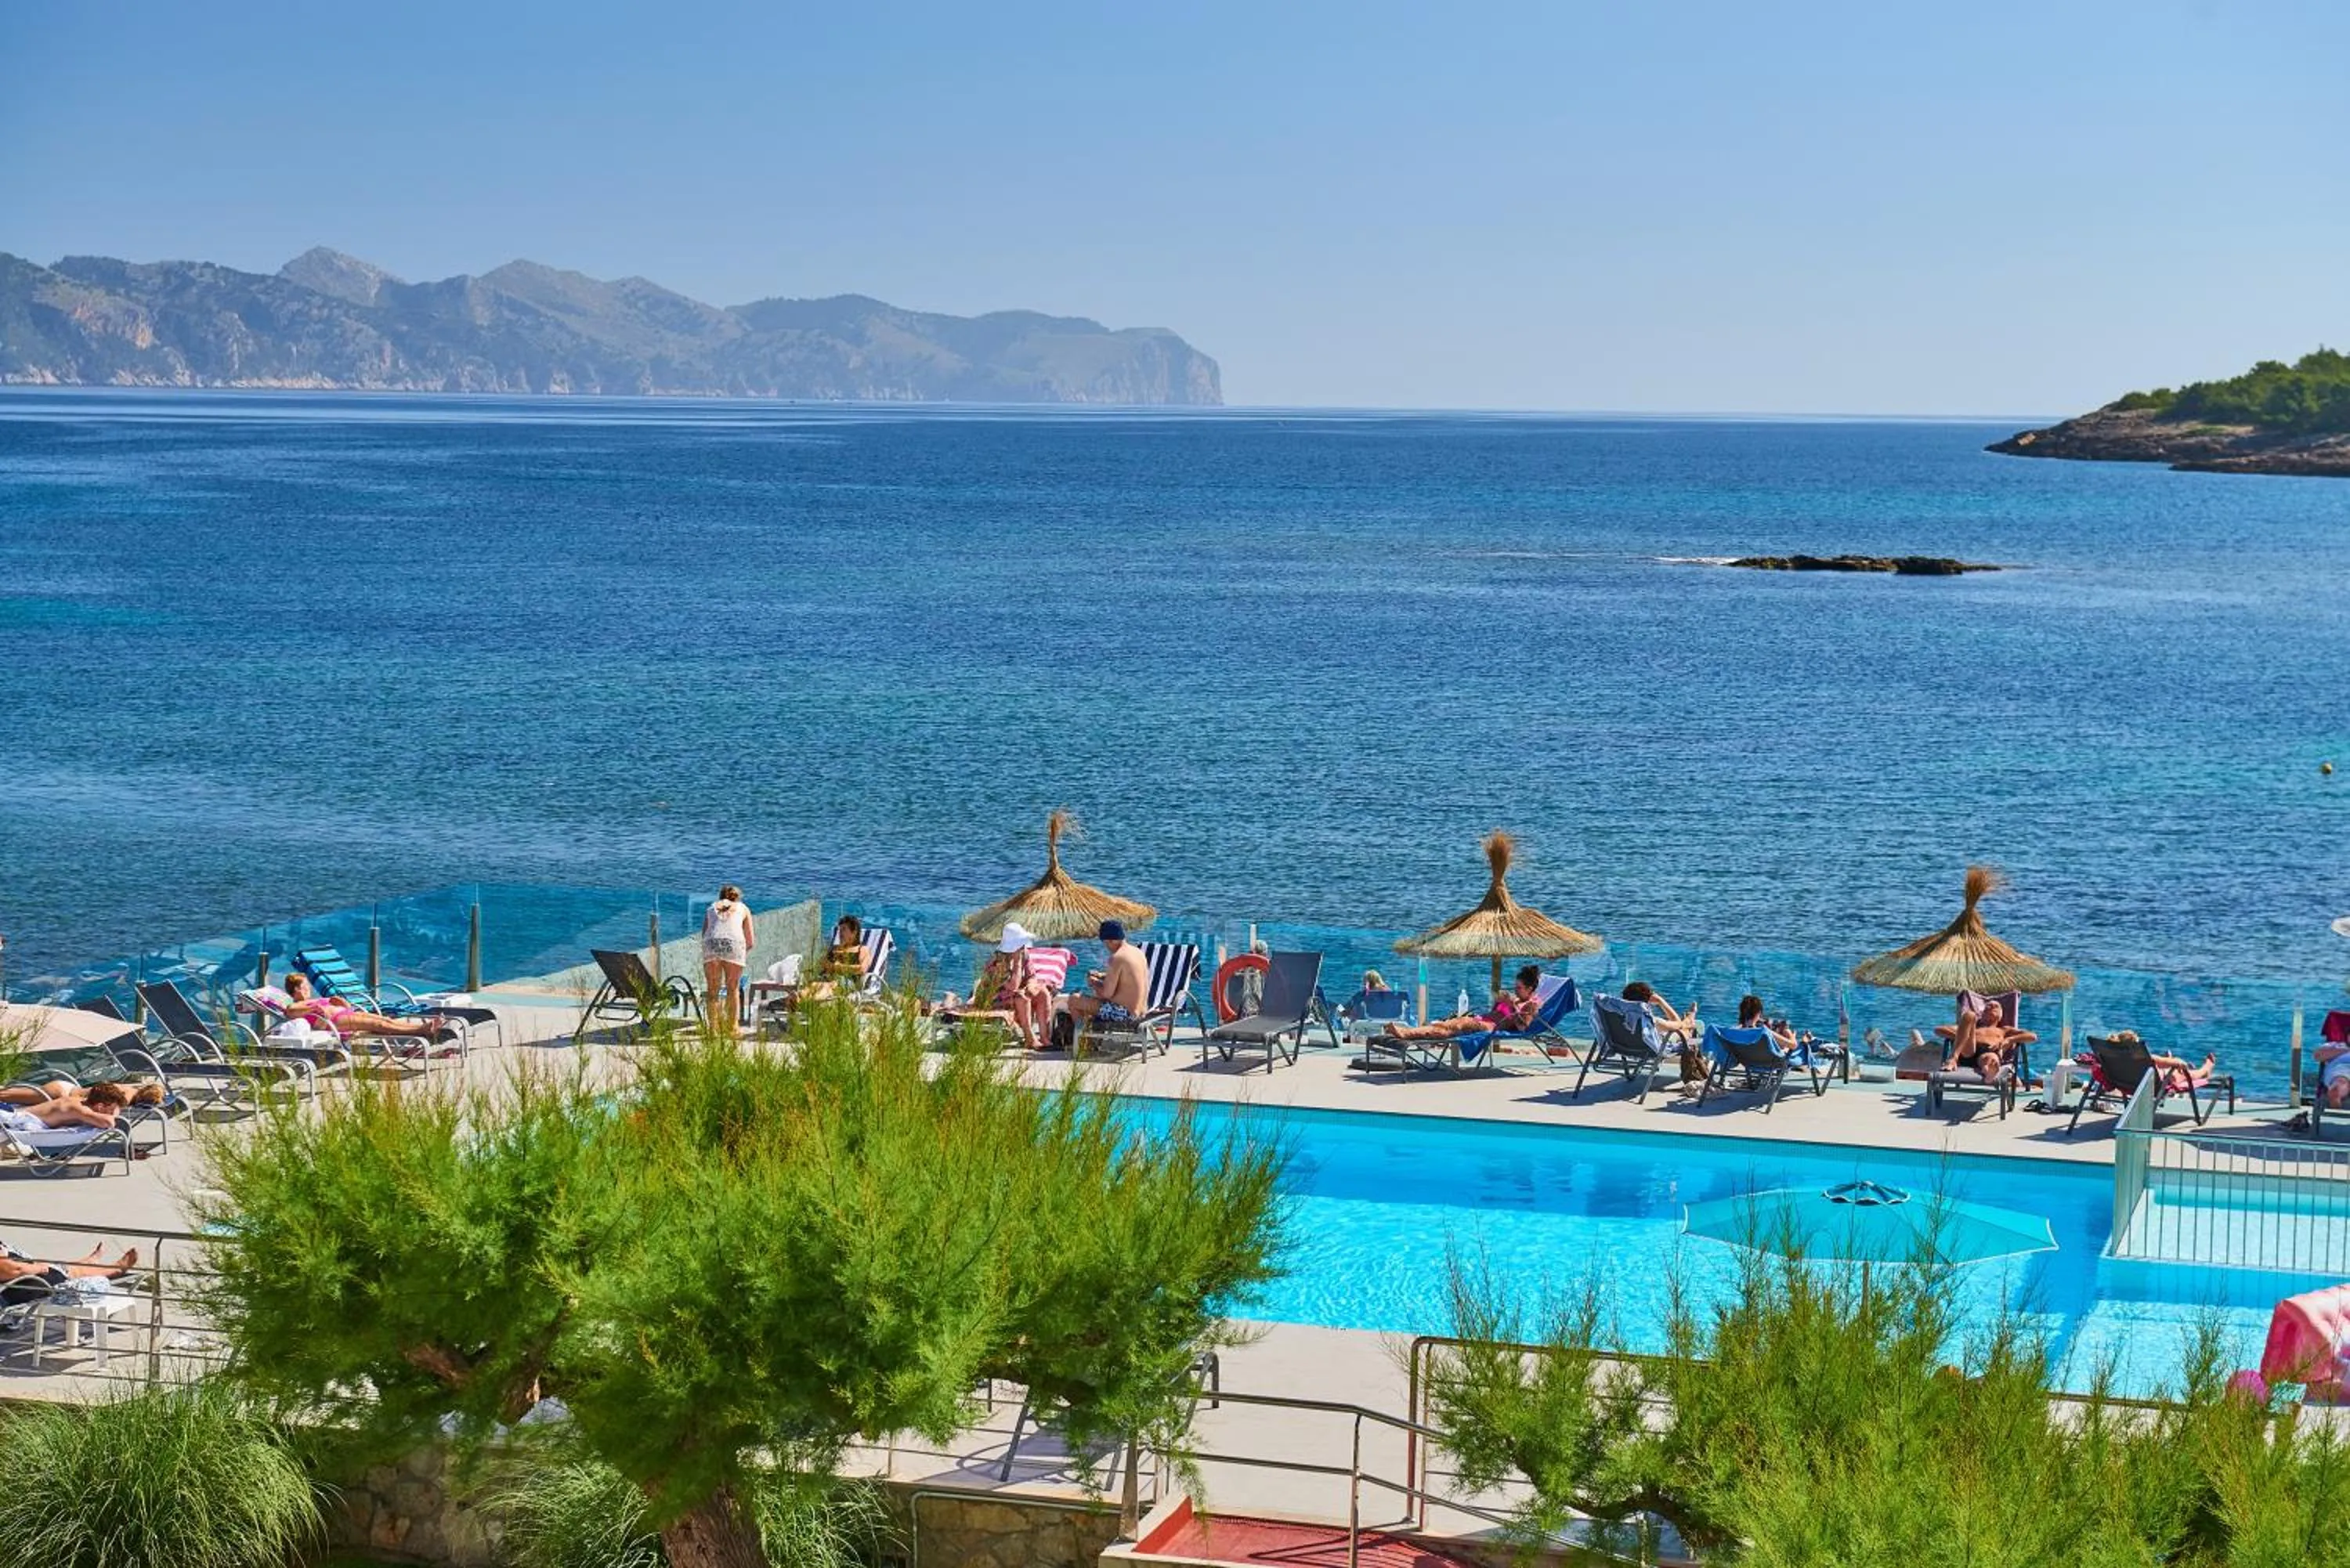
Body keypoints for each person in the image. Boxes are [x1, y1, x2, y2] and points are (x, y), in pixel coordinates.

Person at [943, 923, 1054, 1051]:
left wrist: (1031, 985)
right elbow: (1012, 986)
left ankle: (1045, 1038)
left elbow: (1032, 975)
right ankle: (1030, 1038)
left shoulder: (1024, 953)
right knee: (1022, 998)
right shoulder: (998, 961)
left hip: (1012, 994)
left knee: (1043, 993)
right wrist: (1017, 964)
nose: (1023, 946)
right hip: (992, 998)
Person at [1379, 966, 1541, 1041]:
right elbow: (1498, 1011)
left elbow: (1522, 1027)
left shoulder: (1531, 1005)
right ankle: (1407, 1033)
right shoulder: (1518, 999)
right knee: (1446, 1028)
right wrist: (1499, 1001)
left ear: (1530, 988)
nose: (1516, 990)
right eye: (1515, 986)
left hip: (1490, 1027)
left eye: (1519, 988)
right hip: (1482, 1020)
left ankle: (1407, 1033)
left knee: (1454, 1026)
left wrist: (1511, 1003)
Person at [280, 972, 450, 1039]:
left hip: (344, 1014)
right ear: (296, 989)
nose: (309, 988)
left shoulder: (312, 999)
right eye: (305, 986)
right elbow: (290, 1011)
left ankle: (420, 1028)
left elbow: (342, 1005)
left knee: (384, 1019)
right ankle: (422, 1031)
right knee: (379, 1025)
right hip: (335, 1022)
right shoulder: (298, 1005)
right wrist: (315, 1008)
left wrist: (342, 1003)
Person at [0, 1238, 140, 1306]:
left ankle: (89, 1262)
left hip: (23, 1281)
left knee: (60, 1268)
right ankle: (115, 1270)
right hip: (24, 1286)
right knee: (66, 1273)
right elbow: (10, 1269)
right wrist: (38, 1268)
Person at [1068, 919, 1149, 1035]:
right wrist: (1102, 976)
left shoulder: (1117, 958)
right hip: (1142, 1012)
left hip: (1126, 1015)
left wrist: (1094, 983)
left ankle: (1085, 1042)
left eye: (1105, 943)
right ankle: (1094, 1035)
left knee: (1074, 1000)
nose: (1106, 947)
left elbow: (1106, 994)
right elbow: (1128, 978)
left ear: (1111, 941)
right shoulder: (1137, 952)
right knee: (1093, 1001)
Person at [1622, 981, 1704, 1094]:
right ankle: (1691, 1017)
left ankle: (1690, 1022)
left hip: (1626, 1046)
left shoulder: (1621, 1017)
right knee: (1687, 1034)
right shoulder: (1651, 1021)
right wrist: (1661, 1002)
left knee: (1685, 1033)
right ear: (1649, 999)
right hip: (1655, 1047)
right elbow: (1678, 1023)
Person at [700, 884, 755, 1035]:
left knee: (713, 990)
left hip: (711, 945)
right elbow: (750, 941)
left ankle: (714, 1030)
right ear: (737, 897)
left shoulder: (711, 908)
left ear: (720, 897)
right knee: (733, 988)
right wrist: (740, 954)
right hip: (733, 945)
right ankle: (732, 1029)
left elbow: (705, 933)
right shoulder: (743, 908)